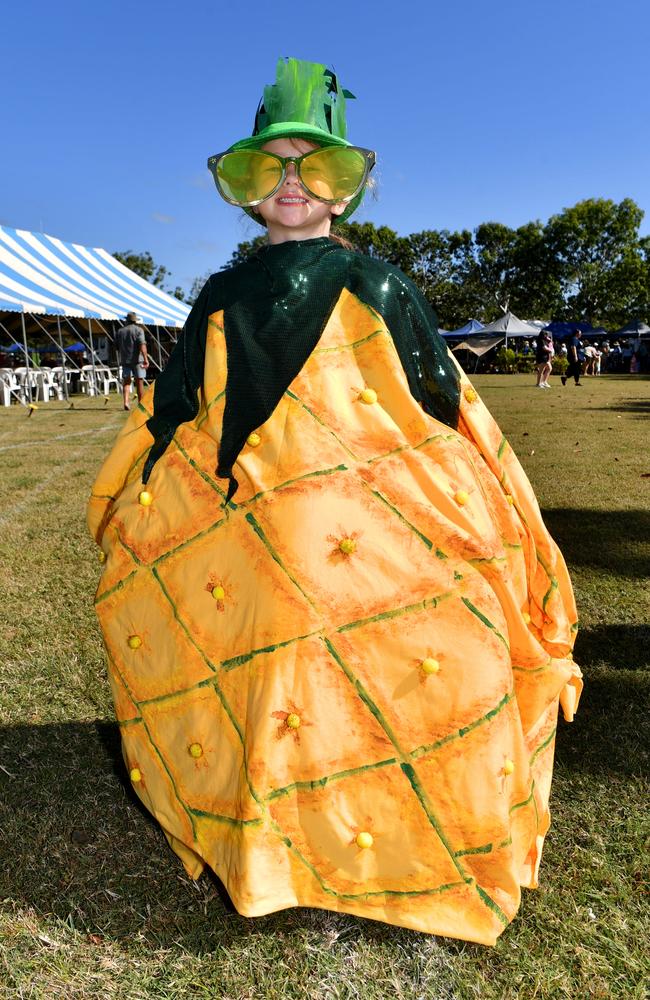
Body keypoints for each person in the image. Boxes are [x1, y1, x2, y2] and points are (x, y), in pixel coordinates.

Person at [87, 58, 581, 946]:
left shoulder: (380, 285)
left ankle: (386, 831)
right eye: (271, 167)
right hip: (254, 523)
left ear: (344, 190)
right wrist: (141, 483)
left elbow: (436, 397)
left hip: (371, 519)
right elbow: (177, 403)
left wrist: (481, 496)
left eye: (313, 169)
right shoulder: (222, 293)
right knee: (270, 661)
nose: (291, 185)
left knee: (412, 648)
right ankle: (274, 836)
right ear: (245, 187)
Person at [115, 311, 149, 409]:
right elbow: (142, 345)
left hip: (125, 360)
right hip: (138, 360)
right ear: (135, 321)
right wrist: (146, 359)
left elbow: (116, 347)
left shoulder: (120, 331)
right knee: (139, 382)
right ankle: (141, 404)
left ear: (127, 320)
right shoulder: (139, 330)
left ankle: (126, 402)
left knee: (126, 382)